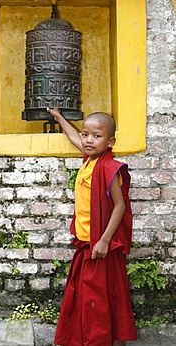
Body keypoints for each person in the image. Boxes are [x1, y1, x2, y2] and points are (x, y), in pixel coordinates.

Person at [47, 108, 137, 346]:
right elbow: (74, 137)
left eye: (96, 136)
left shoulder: (109, 168)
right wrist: (59, 118)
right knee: (88, 298)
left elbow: (120, 206)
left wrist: (105, 240)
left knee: (103, 298)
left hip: (101, 245)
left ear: (110, 142)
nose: (88, 140)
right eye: (86, 135)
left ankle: (106, 341)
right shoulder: (89, 160)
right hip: (86, 243)